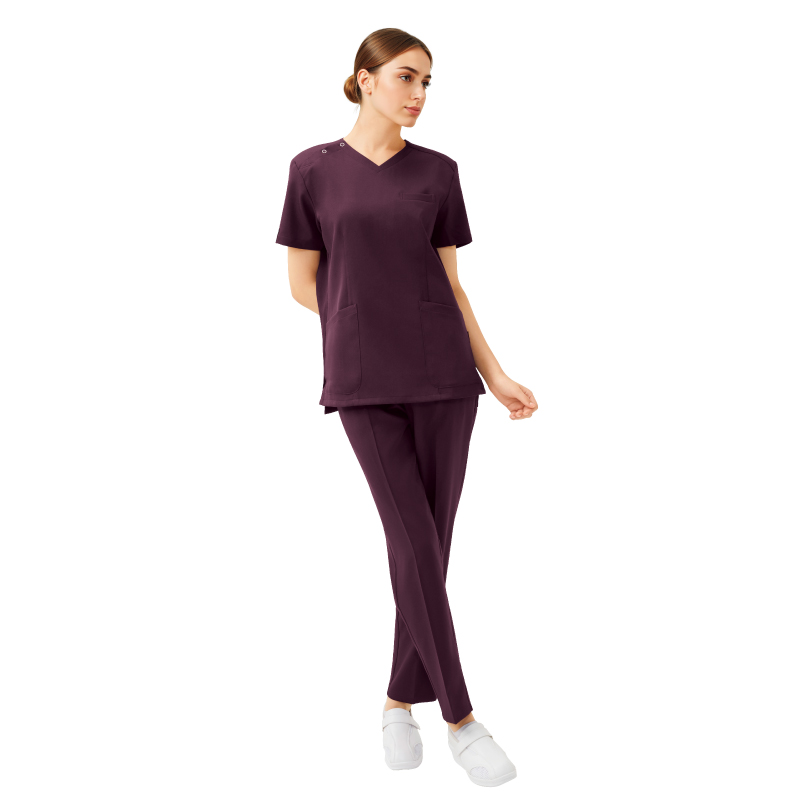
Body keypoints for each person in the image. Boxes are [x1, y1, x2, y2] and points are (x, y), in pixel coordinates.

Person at [275, 28, 537, 788]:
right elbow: (303, 285)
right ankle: (460, 717)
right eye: (405, 77)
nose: (418, 94)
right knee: (413, 541)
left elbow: (451, 285)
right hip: (364, 379)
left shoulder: (439, 172)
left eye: (427, 82)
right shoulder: (312, 170)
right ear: (364, 79)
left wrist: (494, 371)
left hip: (446, 378)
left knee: (429, 548)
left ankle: (397, 702)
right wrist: (365, 325)